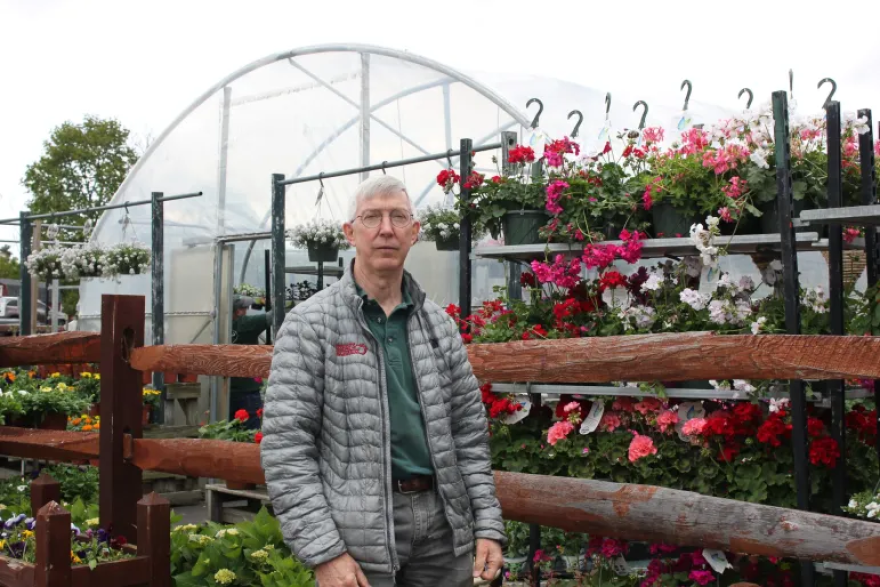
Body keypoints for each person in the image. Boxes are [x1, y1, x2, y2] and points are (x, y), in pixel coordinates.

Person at [261, 175, 505, 587]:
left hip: (444, 528)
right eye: (372, 217)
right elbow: (287, 448)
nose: (386, 228)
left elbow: (469, 436)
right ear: (350, 233)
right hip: (358, 533)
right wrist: (325, 552)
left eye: (398, 216)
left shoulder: (439, 326)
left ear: (415, 232)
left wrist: (487, 527)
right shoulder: (310, 325)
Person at [229, 294, 272, 429]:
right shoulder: (245, 323)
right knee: (252, 432)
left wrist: (260, 304)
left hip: (227, 390)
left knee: (232, 430)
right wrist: (272, 302)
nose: (247, 310)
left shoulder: (223, 326)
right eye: (245, 308)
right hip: (247, 390)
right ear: (238, 311)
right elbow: (272, 317)